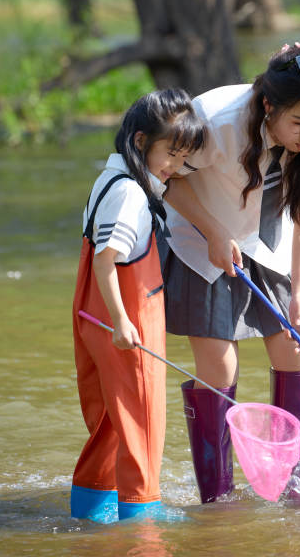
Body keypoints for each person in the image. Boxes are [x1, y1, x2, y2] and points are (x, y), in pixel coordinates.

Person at [162, 44, 300, 504]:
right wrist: (211, 229)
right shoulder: (214, 121)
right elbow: (165, 176)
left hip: (267, 242)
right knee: (220, 363)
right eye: (299, 123)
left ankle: (299, 488)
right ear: (268, 106)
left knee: (297, 350)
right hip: (198, 239)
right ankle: (217, 496)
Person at [70, 89, 207, 523]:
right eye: (170, 152)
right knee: (143, 418)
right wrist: (123, 322)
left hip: (94, 313)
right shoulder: (130, 195)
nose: (173, 166)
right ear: (141, 141)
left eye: (183, 157)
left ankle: (92, 506)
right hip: (124, 319)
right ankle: (142, 517)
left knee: (113, 420)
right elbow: (106, 260)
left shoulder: (110, 178)